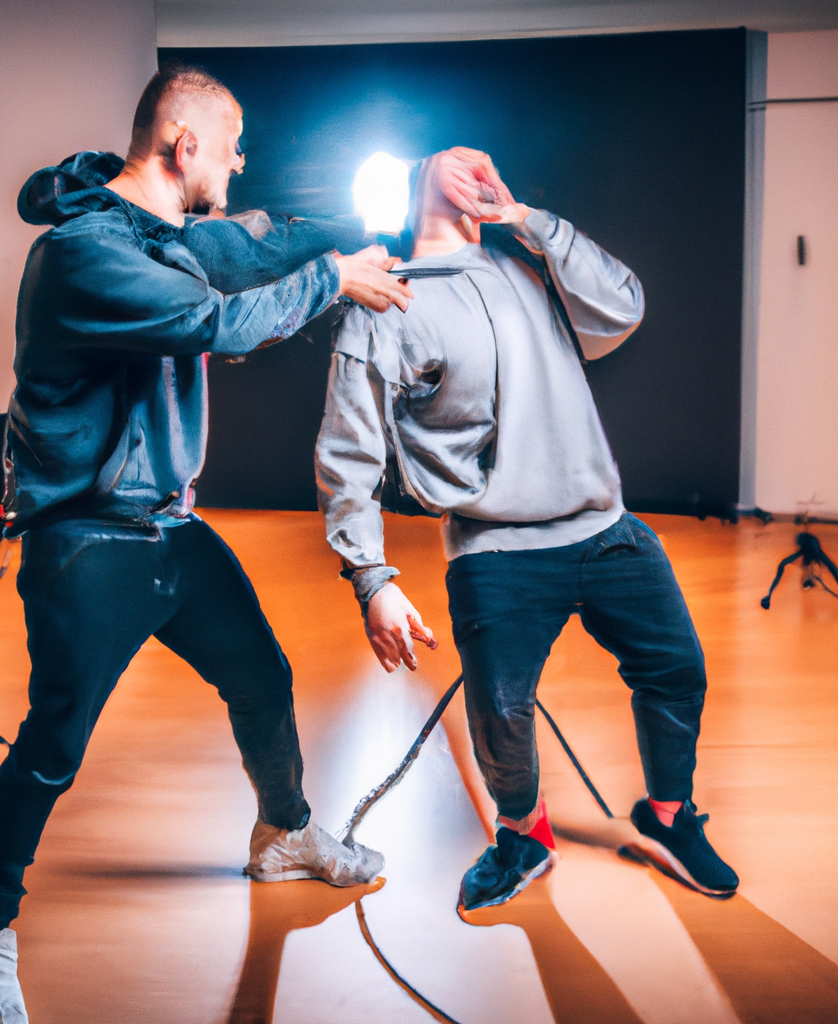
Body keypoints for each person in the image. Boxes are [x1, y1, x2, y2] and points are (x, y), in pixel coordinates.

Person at [0, 67, 413, 1024]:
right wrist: (335, 281)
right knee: (53, 745)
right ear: (183, 146)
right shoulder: (84, 255)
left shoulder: (165, 239)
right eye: (232, 142)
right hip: (86, 538)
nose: (242, 160)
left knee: (260, 672)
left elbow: (252, 246)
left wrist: (350, 233)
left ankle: (283, 834)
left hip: (169, 524)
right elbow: (216, 316)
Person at [315, 147, 739, 916]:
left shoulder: (526, 266)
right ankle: (524, 832)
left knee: (676, 668)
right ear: (418, 180)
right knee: (500, 711)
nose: (475, 167)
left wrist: (531, 222)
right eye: (455, 159)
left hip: (606, 528)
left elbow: (623, 307)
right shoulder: (386, 299)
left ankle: (668, 817)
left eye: (484, 163)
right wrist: (371, 579)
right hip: (496, 549)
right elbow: (349, 453)